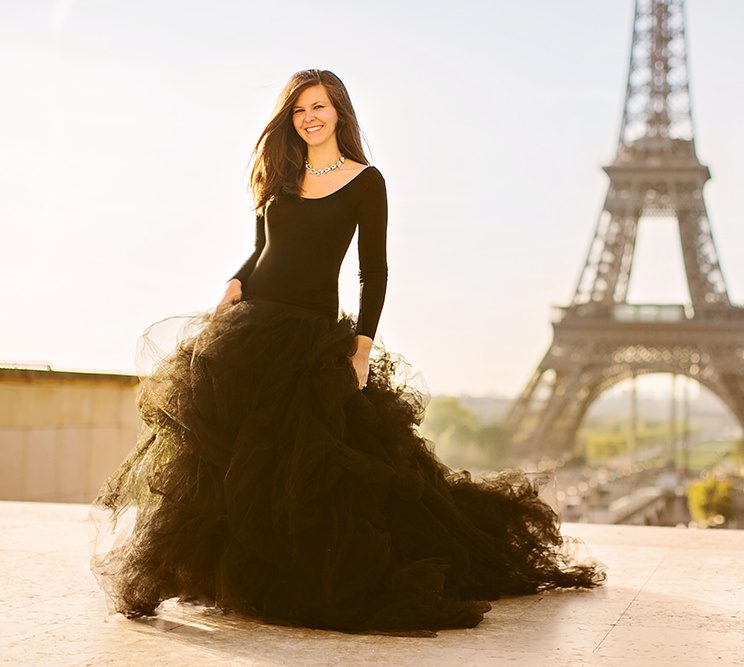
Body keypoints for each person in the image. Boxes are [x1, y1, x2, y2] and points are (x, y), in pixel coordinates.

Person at [87, 68, 608, 637]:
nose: (309, 118)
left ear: (340, 112)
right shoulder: (281, 176)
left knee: (312, 472)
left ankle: (296, 577)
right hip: (253, 323)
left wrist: (361, 346)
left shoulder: (366, 181)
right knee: (225, 462)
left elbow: (373, 272)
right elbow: (261, 249)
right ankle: (206, 574)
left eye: (319, 107)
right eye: (299, 110)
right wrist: (234, 285)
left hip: (311, 337)